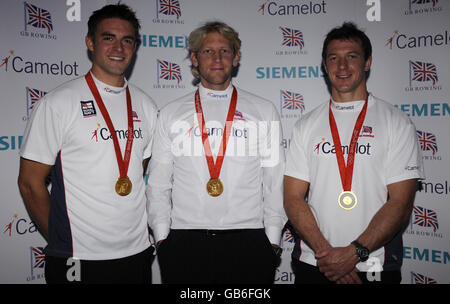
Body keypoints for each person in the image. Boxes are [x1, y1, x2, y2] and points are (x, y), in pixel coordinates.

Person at [18, 4, 157, 284]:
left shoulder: (145, 105)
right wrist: (65, 240)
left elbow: (136, 169)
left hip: (137, 252)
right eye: (108, 38)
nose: (118, 47)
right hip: (77, 259)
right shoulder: (58, 103)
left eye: (127, 40)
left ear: (134, 47)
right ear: (90, 42)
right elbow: (31, 184)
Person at [284, 22, 424, 284]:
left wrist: (354, 253)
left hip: (374, 263)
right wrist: (328, 256)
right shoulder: (306, 124)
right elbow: (293, 198)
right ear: (324, 67)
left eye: (352, 57)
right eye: (333, 58)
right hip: (315, 262)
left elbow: (401, 203)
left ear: (367, 62)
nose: (342, 67)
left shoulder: (396, 122)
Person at [146, 21, 286, 284]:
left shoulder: (263, 110)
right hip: (184, 241)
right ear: (194, 58)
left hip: (250, 240)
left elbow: (275, 180)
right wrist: (163, 237)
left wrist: (273, 239)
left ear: (236, 57)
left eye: (225, 51)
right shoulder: (171, 112)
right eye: (208, 51)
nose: (217, 58)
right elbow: (158, 182)